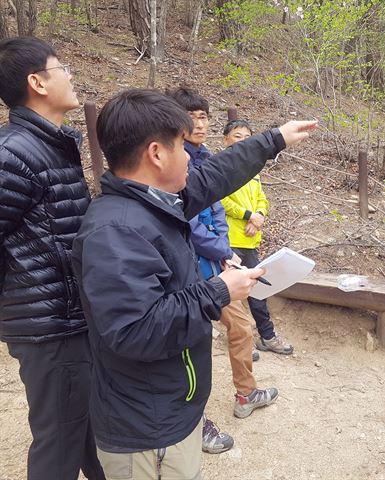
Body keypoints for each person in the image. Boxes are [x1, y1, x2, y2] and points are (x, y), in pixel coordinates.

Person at [70, 89, 315, 480]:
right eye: (181, 146)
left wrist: (274, 141)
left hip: (168, 408)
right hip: (146, 428)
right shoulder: (115, 231)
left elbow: (214, 176)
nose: (189, 156)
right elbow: (135, 331)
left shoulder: (156, 202)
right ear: (156, 153)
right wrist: (219, 290)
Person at [0, 37, 105, 480]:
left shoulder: (51, 145)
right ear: (37, 82)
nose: (70, 77)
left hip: (67, 319)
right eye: (63, 68)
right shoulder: (13, 153)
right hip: (49, 328)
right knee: (59, 446)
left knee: (88, 433)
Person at [167, 88, 278, 450]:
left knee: (242, 326)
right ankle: (191, 423)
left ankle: (246, 394)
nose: (199, 123)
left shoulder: (205, 157)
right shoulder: (170, 159)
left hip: (215, 262)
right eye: (192, 116)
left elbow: (212, 207)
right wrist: (222, 248)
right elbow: (186, 220)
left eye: (204, 116)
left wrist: (224, 252)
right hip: (185, 267)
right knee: (188, 344)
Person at [220, 119, 294, 355]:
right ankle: (240, 339)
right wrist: (249, 216)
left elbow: (262, 198)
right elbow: (220, 200)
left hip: (250, 240)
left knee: (258, 292)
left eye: (247, 137)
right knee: (232, 297)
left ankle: (267, 336)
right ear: (225, 140)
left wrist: (259, 215)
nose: (242, 141)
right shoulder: (220, 165)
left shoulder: (253, 168)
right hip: (229, 240)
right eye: (237, 136)